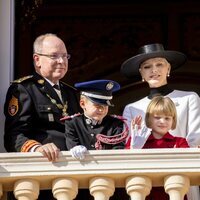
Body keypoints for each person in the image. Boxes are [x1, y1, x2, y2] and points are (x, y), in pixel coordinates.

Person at [121, 43, 200, 200]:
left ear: (168, 68)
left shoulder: (189, 98)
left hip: (182, 173)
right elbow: (129, 148)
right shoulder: (132, 108)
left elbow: (195, 138)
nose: (154, 70)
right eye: (147, 66)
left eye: (159, 64)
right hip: (146, 178)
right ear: (141, 73)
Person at [126, 96, 189, 200]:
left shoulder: (179, 142)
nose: (162, 121)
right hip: (145, 194)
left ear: (173, 120)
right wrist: (134, 148)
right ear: (149, 118)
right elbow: (125, 164)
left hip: (172, 194)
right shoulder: (137, 141)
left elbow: (188, 165)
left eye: (167, 118)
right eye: (157, 117)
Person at [64, 79, 128, 160]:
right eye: (97, 106)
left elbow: (118, 149)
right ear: (82, 104)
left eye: (105, 106)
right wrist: (75, 148)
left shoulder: (115, 124)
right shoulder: (73, 123)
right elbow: (72, 145)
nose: (101, 110)